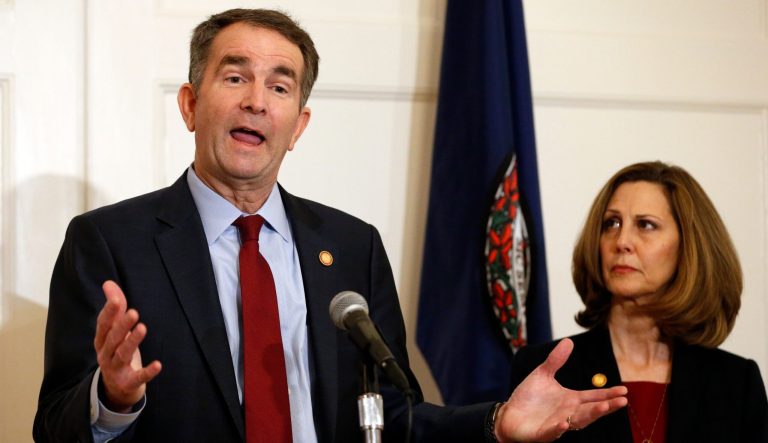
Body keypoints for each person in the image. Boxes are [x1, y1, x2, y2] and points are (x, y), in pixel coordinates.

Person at [33, 8, 627, 443]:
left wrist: (498, 422)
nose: (257, 101)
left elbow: (391, 416)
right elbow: (52, 426)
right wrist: (112, 398)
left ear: (298, 125)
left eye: (280, 86)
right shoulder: (110, 243)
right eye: (235, 77)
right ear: (190, 104)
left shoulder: (349, 246)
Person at [510, 161, 768, 442]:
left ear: (689, 247)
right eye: (612, 223)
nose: (622, 241)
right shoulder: (546, 371)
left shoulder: (736, 382)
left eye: (645, 225)